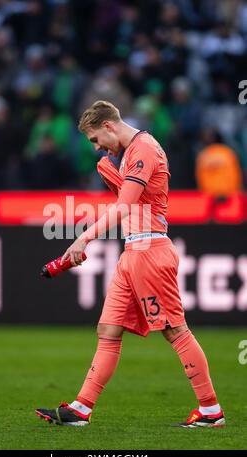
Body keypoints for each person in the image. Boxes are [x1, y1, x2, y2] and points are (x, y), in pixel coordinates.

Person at [35, 100, 225, 428]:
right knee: (107, 330)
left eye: (96, 140)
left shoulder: (144, 149)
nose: (96, 148)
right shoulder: (121, 158)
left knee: (174, 330)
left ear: (109, 126)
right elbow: (124, 199)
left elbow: (124, 208)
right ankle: (81, 408)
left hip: (150, 251)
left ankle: (210, 410)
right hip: (132, 253)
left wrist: (84, 238)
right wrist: (109, 165)